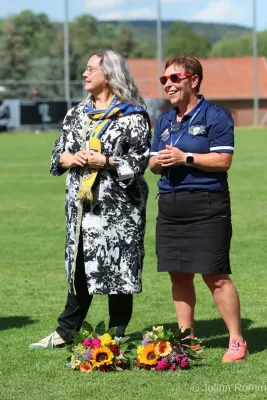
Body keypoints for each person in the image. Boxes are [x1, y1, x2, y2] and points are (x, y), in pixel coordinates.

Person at [29, 49, 151, 349]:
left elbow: (139, 162)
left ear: (108, 75)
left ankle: (117, 333)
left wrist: (106, 161)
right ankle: (64, 331)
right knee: (80, 267)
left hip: (119, 211)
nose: (85, 74)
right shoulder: (77, 114)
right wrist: (73, 157)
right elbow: (57, 155)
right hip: (83, 208)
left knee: (119, 266)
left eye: (90, 69)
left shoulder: (132, 116)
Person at [149, 56, 248, 363]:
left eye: (174, 78)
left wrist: (185, 158)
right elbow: (152, 164)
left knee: (215, 275)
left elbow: (223, 161)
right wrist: (158, 162)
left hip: (207, 204)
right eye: (164, 80)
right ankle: (186, 338)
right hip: (170, 206)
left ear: (193, 80)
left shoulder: (217, 116)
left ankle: (236, 340)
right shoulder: (164, 119)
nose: (168, 85)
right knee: (178, 275)